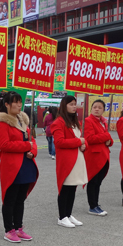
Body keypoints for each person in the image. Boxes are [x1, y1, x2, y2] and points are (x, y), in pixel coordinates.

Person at [0, 91, 38, 242]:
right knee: (10, 199)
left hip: (26, 164)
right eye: (16, 102)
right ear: (6, 104)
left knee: (20, 199)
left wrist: (32, 151)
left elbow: (32, 141)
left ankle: (18, 228)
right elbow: (4, 145)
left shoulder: (23, 121)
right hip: (12, 166)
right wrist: (27, 146)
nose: (20, 105)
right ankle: (9, 229)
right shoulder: (1, 124)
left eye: (20, 102)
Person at [51, 96, 87, 228]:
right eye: (71, 104)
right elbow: (59, 142)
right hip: (67, 160)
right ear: (64, 105)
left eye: (75, 104)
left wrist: (84, 145)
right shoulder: (58, 122)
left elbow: (82, 138)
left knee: (73, 188)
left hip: (77, 158)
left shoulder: (75, 122)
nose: (74, 106)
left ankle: (68, 213)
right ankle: (62, 216)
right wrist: (79, 142)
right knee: (65, 188)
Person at [84, 99, 113, 216]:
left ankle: (96, 203)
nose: (97, 109)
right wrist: (106, 136)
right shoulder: (88, 121)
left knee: (98, 182)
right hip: (93, 156)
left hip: (103, 156)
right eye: (95, 107)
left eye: (100, 107)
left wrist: (109, 141)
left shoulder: (103, 122)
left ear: (103, 110)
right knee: (93, 181)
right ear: (91, 109)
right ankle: (92, 205)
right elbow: (90, 138)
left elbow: (109, 140)